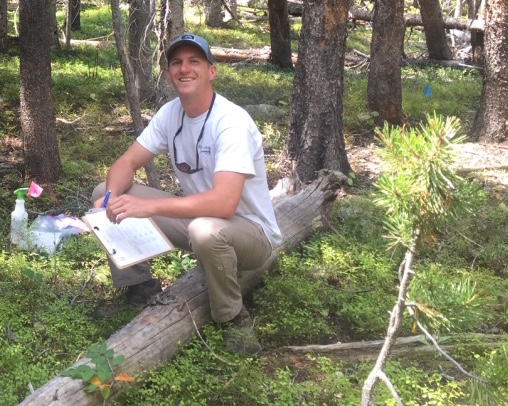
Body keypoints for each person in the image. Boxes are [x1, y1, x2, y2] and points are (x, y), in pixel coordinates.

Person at [92, 33, 282, 356]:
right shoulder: (171, 115)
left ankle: (234, 318)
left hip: (251, 233)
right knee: (105, 191)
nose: (184, 68)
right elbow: (127, 162)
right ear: (169, 74)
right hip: (200, 221)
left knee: (204, 230)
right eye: (177, 62)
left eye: (194, 61)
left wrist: (146, 207)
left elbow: (224, 203)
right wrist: (110, 196)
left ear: (212, 71)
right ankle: (139, 287)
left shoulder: (231, 122)